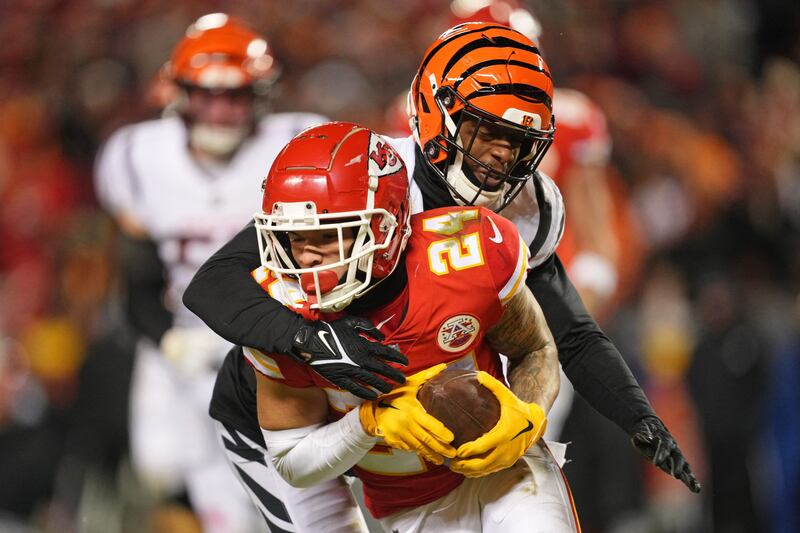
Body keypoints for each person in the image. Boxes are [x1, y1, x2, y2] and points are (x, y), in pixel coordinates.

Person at [186, 22, 699, 527]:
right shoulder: (364, 179)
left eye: (518, 141)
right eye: (487, 132)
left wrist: (638, 416)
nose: (502, 156)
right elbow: (215, 282)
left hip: (400, 414)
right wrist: (314, 341)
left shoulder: (513, 218)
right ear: (437, 116)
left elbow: (568, 335)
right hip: (288, 404)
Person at [249, 120, 575, 532]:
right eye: (295, 238)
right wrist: (368, 423)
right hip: (409, 507)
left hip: (508, 473)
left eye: (327, 236)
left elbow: (536, 350)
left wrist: (527, 414)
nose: (309, 259)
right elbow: (292, 461)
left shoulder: (467, 255)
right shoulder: (276, 314)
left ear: (384, 227)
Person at [93, 13, 327, 533]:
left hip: (275, 330)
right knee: (162, 466)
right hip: (182, 333)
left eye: (236, 96)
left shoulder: (298, 145)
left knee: (287, 474)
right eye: (206, 95)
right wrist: (167, 340)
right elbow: (136, 277)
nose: (220, 111)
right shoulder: (137, 157)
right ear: (178, 93)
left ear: (261, 95)